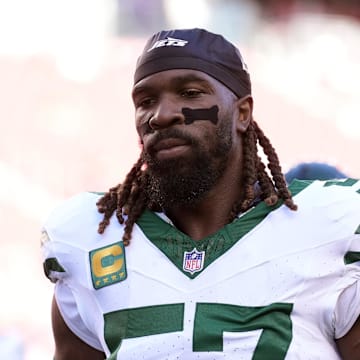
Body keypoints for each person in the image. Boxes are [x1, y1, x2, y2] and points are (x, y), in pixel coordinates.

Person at [41, 28, 360, 359]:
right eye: (145, 101)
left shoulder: (327, 228)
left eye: (190, 93)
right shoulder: (90, 239)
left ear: (242, 112)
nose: (162, 115)